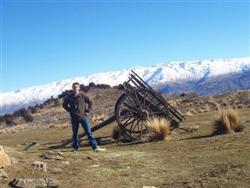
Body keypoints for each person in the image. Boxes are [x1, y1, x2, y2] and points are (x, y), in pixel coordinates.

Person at [63, 82, 106, 152]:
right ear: (72, 88)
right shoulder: (69, 97)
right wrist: (70, 111)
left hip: (83, 116)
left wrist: (88, 110)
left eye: (76, 87)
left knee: (89, 132)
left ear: (79, 88)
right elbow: (64, 104)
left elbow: (90, 102)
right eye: (74, 87)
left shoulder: (82, 95)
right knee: (75, 134)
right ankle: (75, 148)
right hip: (74, 118)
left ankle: (95, 147)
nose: (75, 89)